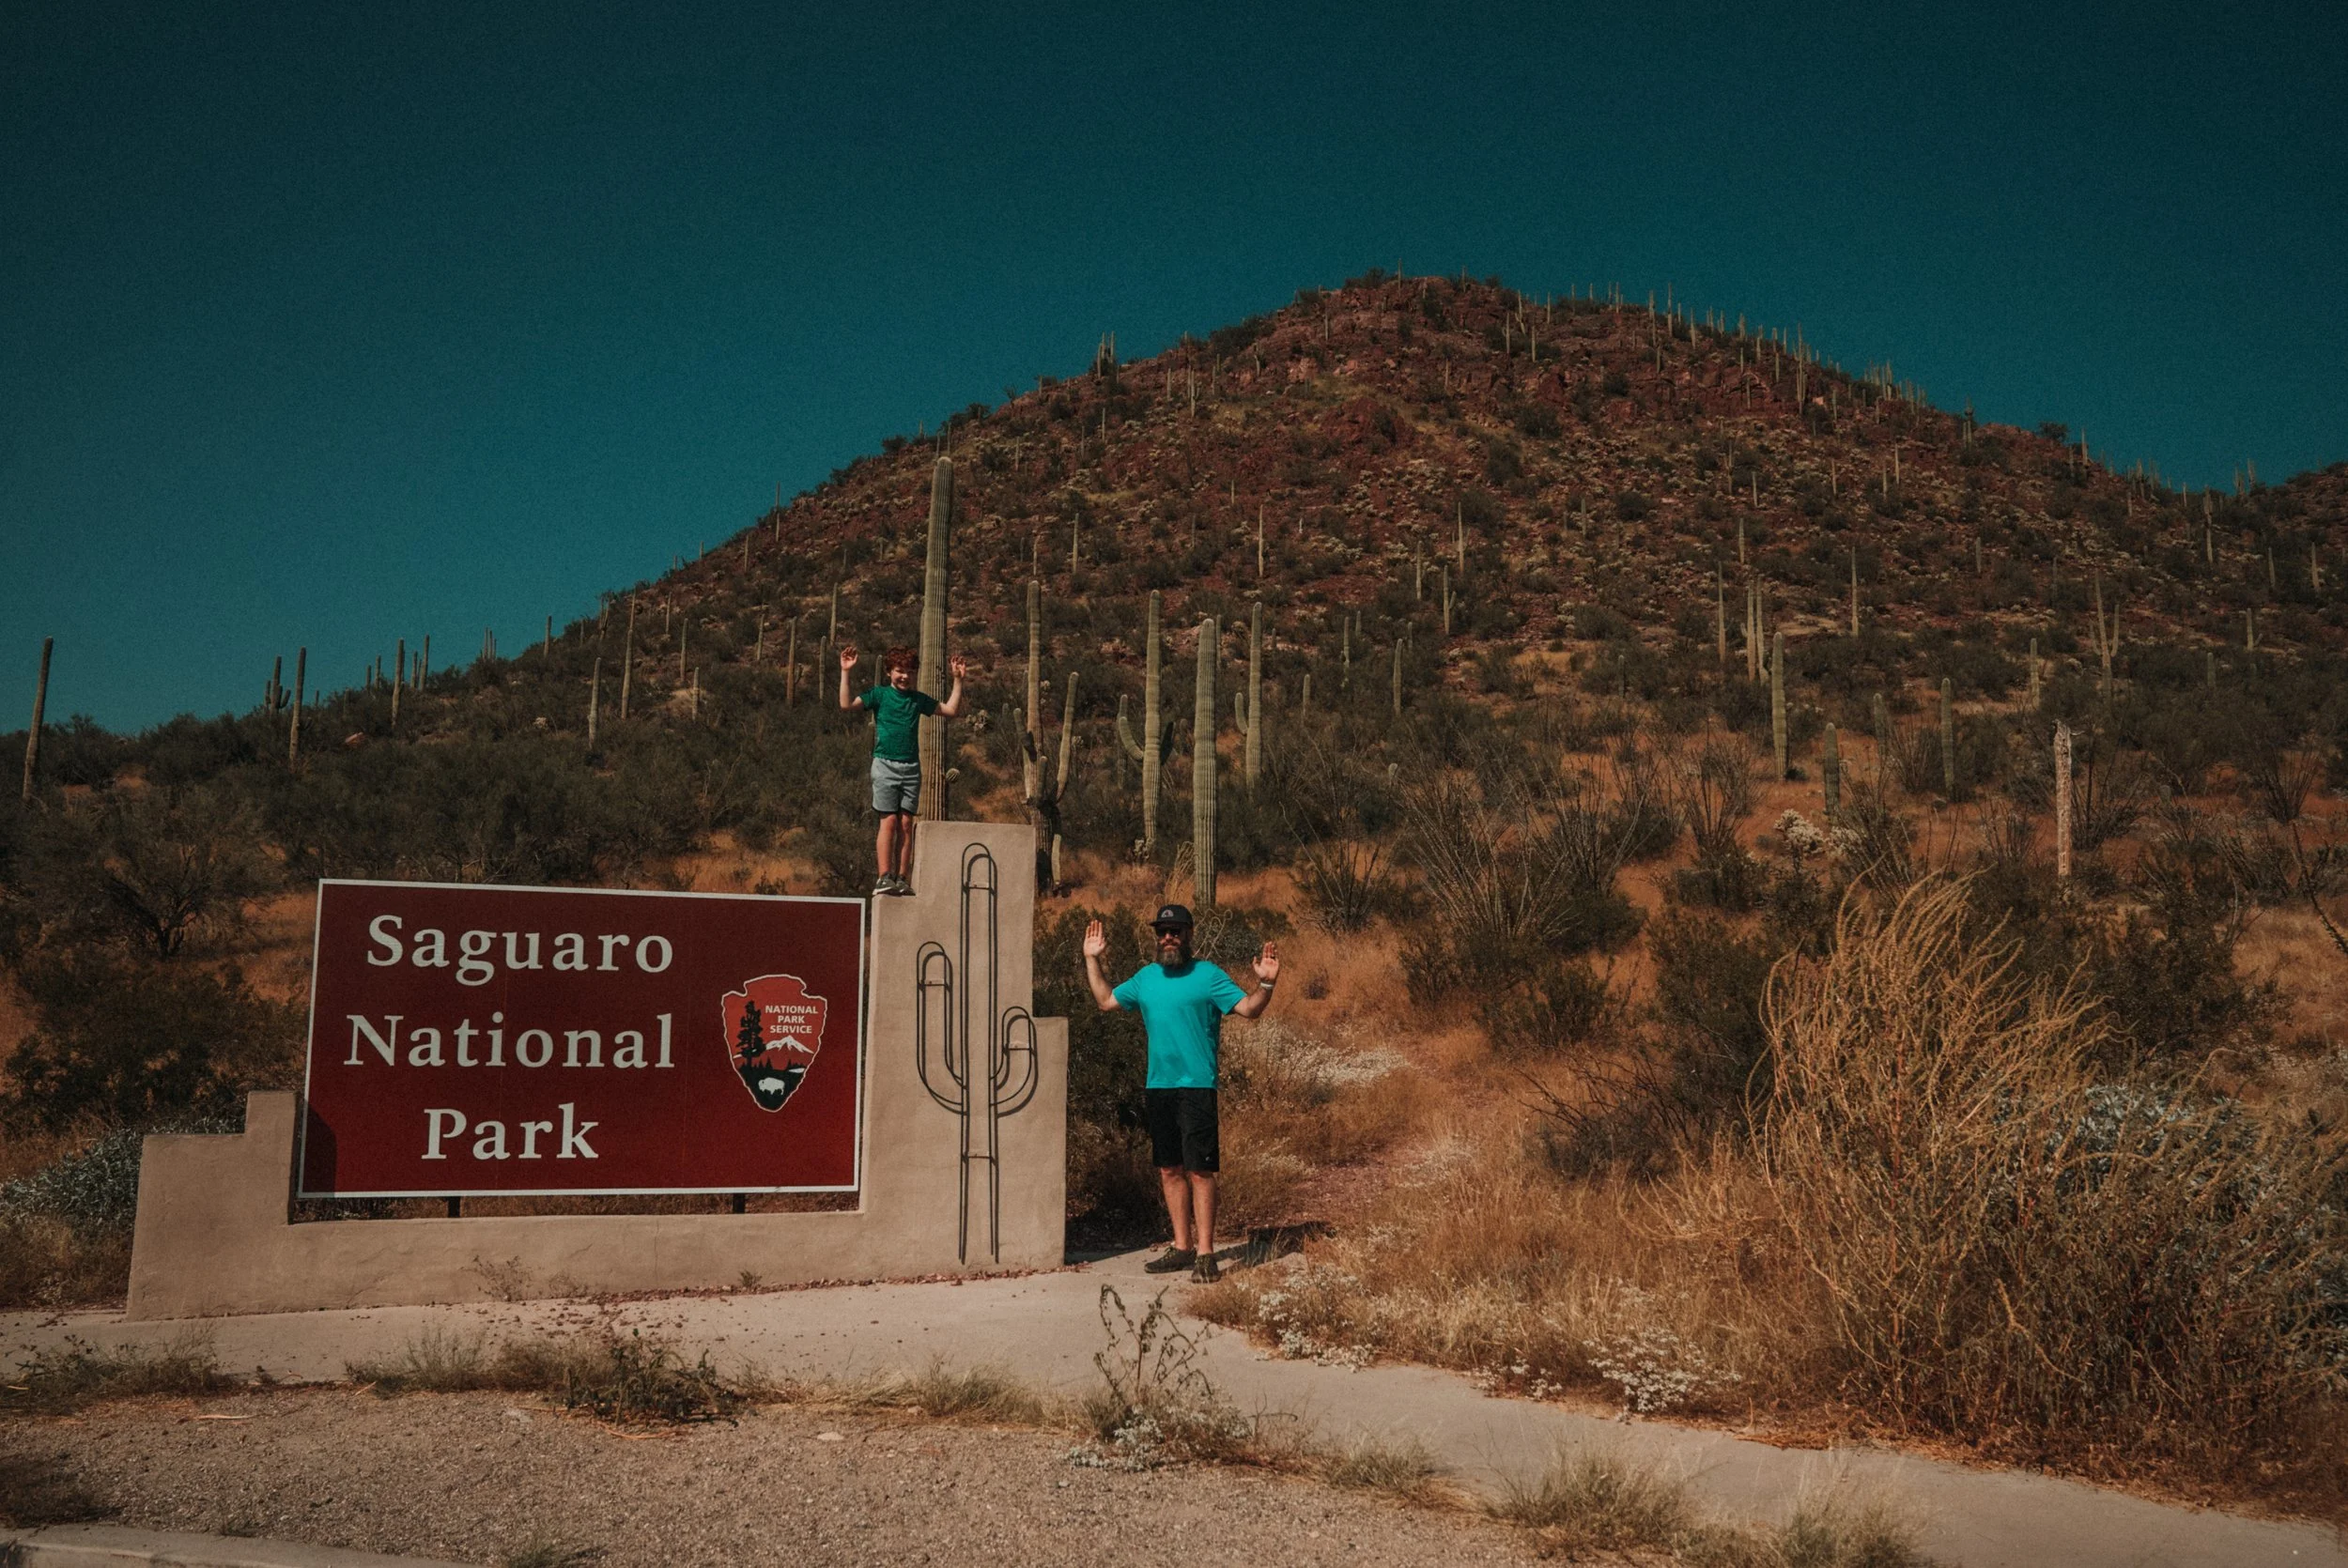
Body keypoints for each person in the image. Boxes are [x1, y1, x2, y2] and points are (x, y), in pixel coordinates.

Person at [1082, 904, 1279, 1283]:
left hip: (1196, 1086)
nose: (1168, 937)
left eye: (1175, 930)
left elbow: (1249, 1010)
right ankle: (1182, 1247)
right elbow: (1105, 1001)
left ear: (1189, 934)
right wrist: (1092, 960)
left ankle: (1206, 1253)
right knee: (1170, 1169)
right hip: (1159, 1086)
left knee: (1201, 1170)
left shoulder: (1208, 976)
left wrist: (1266, 984)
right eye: (1162, 931)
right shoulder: (1145, 978)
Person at [838, 643, 966, 896]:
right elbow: (846, 704)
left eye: (909, 671)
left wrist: (958, 680)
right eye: (899, 670)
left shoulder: (918, 700)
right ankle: (884, 876)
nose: (904, 676)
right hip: (885, 764)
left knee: (906, 824)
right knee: (889, 821)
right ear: (889, 672)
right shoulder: (879, 695)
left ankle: (902, 878)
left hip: (911, 768)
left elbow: (950, 710)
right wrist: (845, 672)